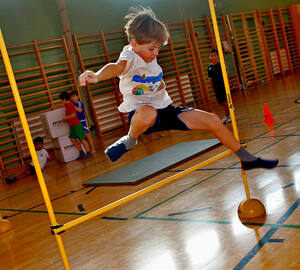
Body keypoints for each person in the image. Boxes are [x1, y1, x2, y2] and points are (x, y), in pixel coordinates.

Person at [78, 6, 278, 170]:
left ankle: (246, 158)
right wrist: (96, 75)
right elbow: (115, 68)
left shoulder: (149, 55)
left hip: (165, 110)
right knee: (148, 114)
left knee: (213, 120)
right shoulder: (129, 56)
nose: (155, 53)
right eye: (151, 49)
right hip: (141, 114)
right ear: (134, 43)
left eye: (158, 48)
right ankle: (130, 140)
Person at [59, 91, 92, 159]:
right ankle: (81, 153)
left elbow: (73, 115)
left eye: (61, 100)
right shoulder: (67, 105)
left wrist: (65, 118)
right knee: (72, 139)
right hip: (72, 126)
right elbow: (68, 114)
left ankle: (88, 152)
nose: (61, 102)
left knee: (82, 139)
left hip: (76, 125)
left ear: (65, 99)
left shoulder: (71, 105)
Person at [208, 48, 231, 124]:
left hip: (223, 86)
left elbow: (226, 75)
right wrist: (212, 87)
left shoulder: (221, 65)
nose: (213, 57)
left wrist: (228, 85)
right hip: (216, 87)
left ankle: (228, 116)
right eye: (211, 56)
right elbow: (210, 78)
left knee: (224, 102)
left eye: (214, 55)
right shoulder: (209, 67)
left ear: (217, 56)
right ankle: (229, 110)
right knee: (220, 102)